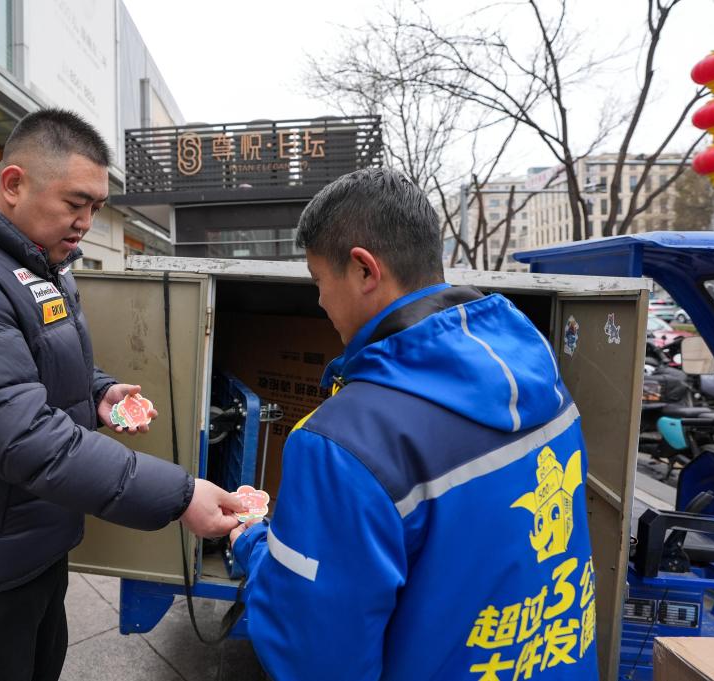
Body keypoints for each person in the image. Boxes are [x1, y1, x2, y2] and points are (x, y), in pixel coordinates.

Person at [0, 108, 242, 681]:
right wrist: (181, 495)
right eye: (76, 203)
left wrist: (97, 391)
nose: (86, 222)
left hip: (29, 541)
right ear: (14, 184)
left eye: (96, 207)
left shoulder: (35, 260)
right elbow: (25, 438)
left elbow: (29, 364)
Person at [230, 168, 599, 680]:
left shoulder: (343, 442)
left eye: (318, 280)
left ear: (364, 270)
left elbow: (316, 658)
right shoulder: (539, 372)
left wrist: (251, 544)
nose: (319, 300)